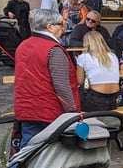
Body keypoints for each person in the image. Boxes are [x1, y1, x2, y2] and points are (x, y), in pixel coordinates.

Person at [14, 9, 80, 149]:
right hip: (49, 110)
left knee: (28, 149)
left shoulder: (23, 45)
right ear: (50, 27)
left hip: (26, 108)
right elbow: (62, 86)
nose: (64, 28)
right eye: (61, 24)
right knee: (52, 152)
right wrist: (73, 113)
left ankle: (20, 164)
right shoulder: (54, 49)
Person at [75, 31, 120, 112]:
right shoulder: (113, 56)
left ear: (86, 43)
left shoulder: (83, 57)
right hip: (113, 101)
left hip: (95, 100)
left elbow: (80, 81)